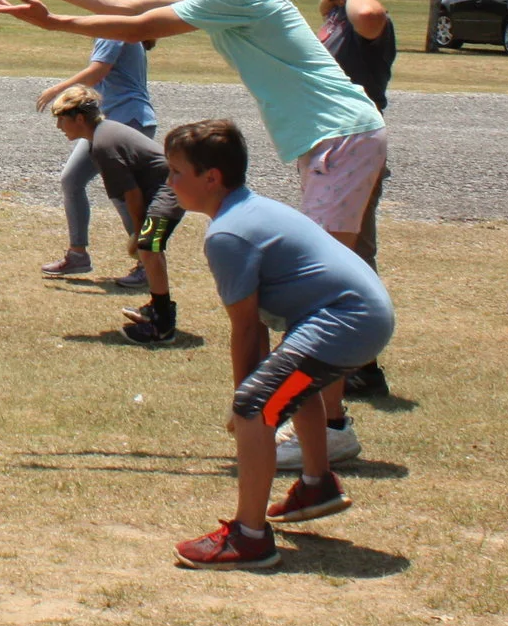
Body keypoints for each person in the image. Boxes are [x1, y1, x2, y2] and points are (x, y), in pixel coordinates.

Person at [0, 0, 389, 466]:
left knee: (317, 295)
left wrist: (55, 23)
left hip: (342, 138)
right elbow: (139, 2)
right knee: (317, 290)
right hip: (336, 139)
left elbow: (139, 24)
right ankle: (328, 424)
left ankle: (326, 432)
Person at [159, 120, 394, 570]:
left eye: (175, 171)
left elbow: (248, 332)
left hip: (348, 322)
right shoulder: (249, 209)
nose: (169, 182)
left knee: (256, 404)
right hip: (361, 315)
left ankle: (249, 537)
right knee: (288, 385)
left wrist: (243, 404)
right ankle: (316, 484)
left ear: (211, 178)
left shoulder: (229, 233)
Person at [32, 0, 159, 282]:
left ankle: (147, 263)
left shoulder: (114, 26)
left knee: (122, 193)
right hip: (122, 119)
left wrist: (56, 90)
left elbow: (97, 72)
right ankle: (78, 255)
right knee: (73, 180)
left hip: (125, 120)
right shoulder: (118, 25)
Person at [44, 87, 187, 343]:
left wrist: (137, 233)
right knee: (149, 247)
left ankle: (162, 326)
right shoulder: (100, 136)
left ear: (79, 119)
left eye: (62, 119)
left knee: (148, 246)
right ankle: (158, 308)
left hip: (171, 188)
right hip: (168, 186)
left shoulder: (103, 145)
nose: (58, 126)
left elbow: (131, 195)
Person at [318, 0, 396, 401]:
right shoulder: (338, 16)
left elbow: (371, 16)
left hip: (357, 149)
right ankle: (356, 359)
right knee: (342, 250)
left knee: (351, 255)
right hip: (331, 150)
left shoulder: (364, 15)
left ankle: (363, 364)